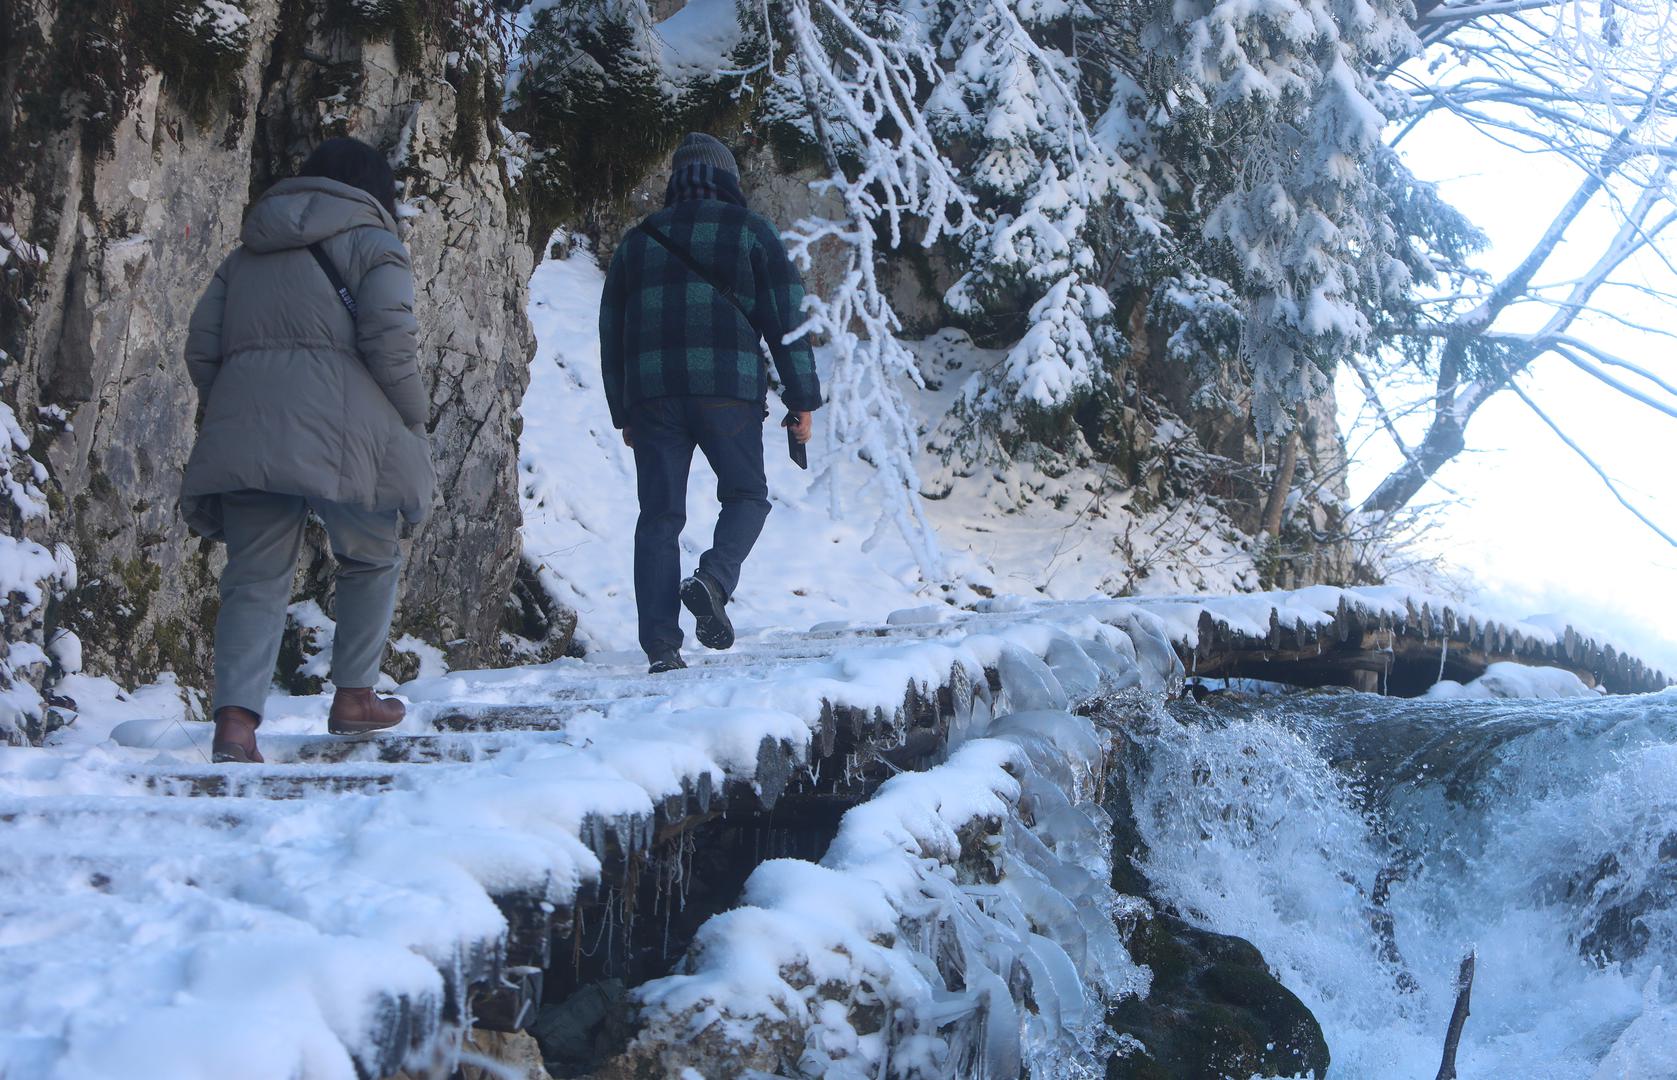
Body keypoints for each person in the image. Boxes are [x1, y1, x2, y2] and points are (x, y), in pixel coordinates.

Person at [178, 137, 434, 763]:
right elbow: (390, 344)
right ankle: (354, 697)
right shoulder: (377, 245)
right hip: (349, 434)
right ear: (376, 191)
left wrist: (241, 403)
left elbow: (201, 348)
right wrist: (413, 415)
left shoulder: (245, 255)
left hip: (250, 427)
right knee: (371, 556)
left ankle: (235, 726)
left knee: (255, 577)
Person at [599, 133, 822, 674]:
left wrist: (623, 410)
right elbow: (786, 320)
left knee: (658, 518)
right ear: (726, 179)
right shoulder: (751, 232)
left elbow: (612, 333)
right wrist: (802, 398)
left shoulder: (638, 241)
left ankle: (660, 649)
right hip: (728, 390)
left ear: (677, 179)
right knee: (747, 495)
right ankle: (713, 580)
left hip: (653, 397)